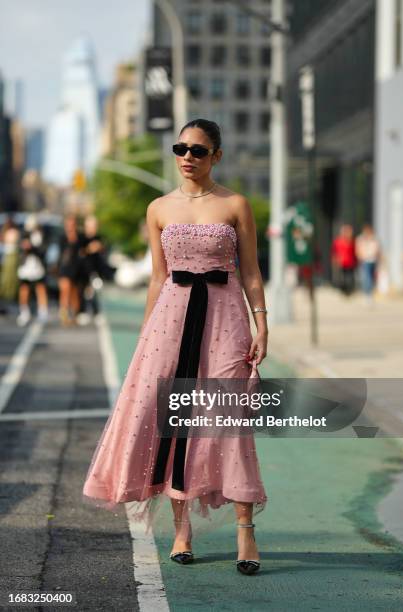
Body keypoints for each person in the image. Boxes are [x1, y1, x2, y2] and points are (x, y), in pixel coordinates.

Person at [83, 118, 268, 575]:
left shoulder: (236, 205)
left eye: (198, 150)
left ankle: (246, 531)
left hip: (225, 320)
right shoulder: (158, 208)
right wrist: (147, 335)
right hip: (171, 320)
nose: (187, 156)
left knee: (225, 421)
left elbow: (251, 273)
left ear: (216, 156)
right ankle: (181, 529)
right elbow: (157, 276)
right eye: (180, 148)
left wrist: (262, 325)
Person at [16, 214, 49, 326]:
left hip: (38, 266)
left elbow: (43, 250)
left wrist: (33, 248)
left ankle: (43, 312)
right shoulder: (24, 235)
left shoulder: (42, 235)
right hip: (26, 266)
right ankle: (24, 312)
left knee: (40, 288)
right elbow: (19, 247)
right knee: (24, 289)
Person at [57, 215, 87, 326]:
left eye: (72, 224)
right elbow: (61, 254)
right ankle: (63, 314)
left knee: (74, 292)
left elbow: (85, 250)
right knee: (65, 290)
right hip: (65, 267)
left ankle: (74, 314)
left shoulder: (80, 237)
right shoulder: (62, 237)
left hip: (76, 268)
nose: (70, 226)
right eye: (68, 224)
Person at [355, 223, 381, 306]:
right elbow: (358, 249)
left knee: (372, 278)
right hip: (365, 260)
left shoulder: (374, 238)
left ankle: (370, 293)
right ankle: (368, 294)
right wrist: (361, 257)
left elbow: (378, 249)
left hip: (373, 260)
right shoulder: (360, 239)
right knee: (367, 278)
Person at [331, 223, 357, 296]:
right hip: (342, 262)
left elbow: (355, 251)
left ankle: (349, 290)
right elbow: (334, 251)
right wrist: (335, 260)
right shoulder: (338, 241)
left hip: (350, 262)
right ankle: (345, 290)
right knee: (343, 277)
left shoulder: (351, 241)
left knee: (349, 276)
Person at [0, 216, 20, 307]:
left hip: (12, 255)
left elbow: (12, 241)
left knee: (11, 275)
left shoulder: (14, 232)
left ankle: (10, 293)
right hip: (6, 255)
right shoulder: (5, 231)